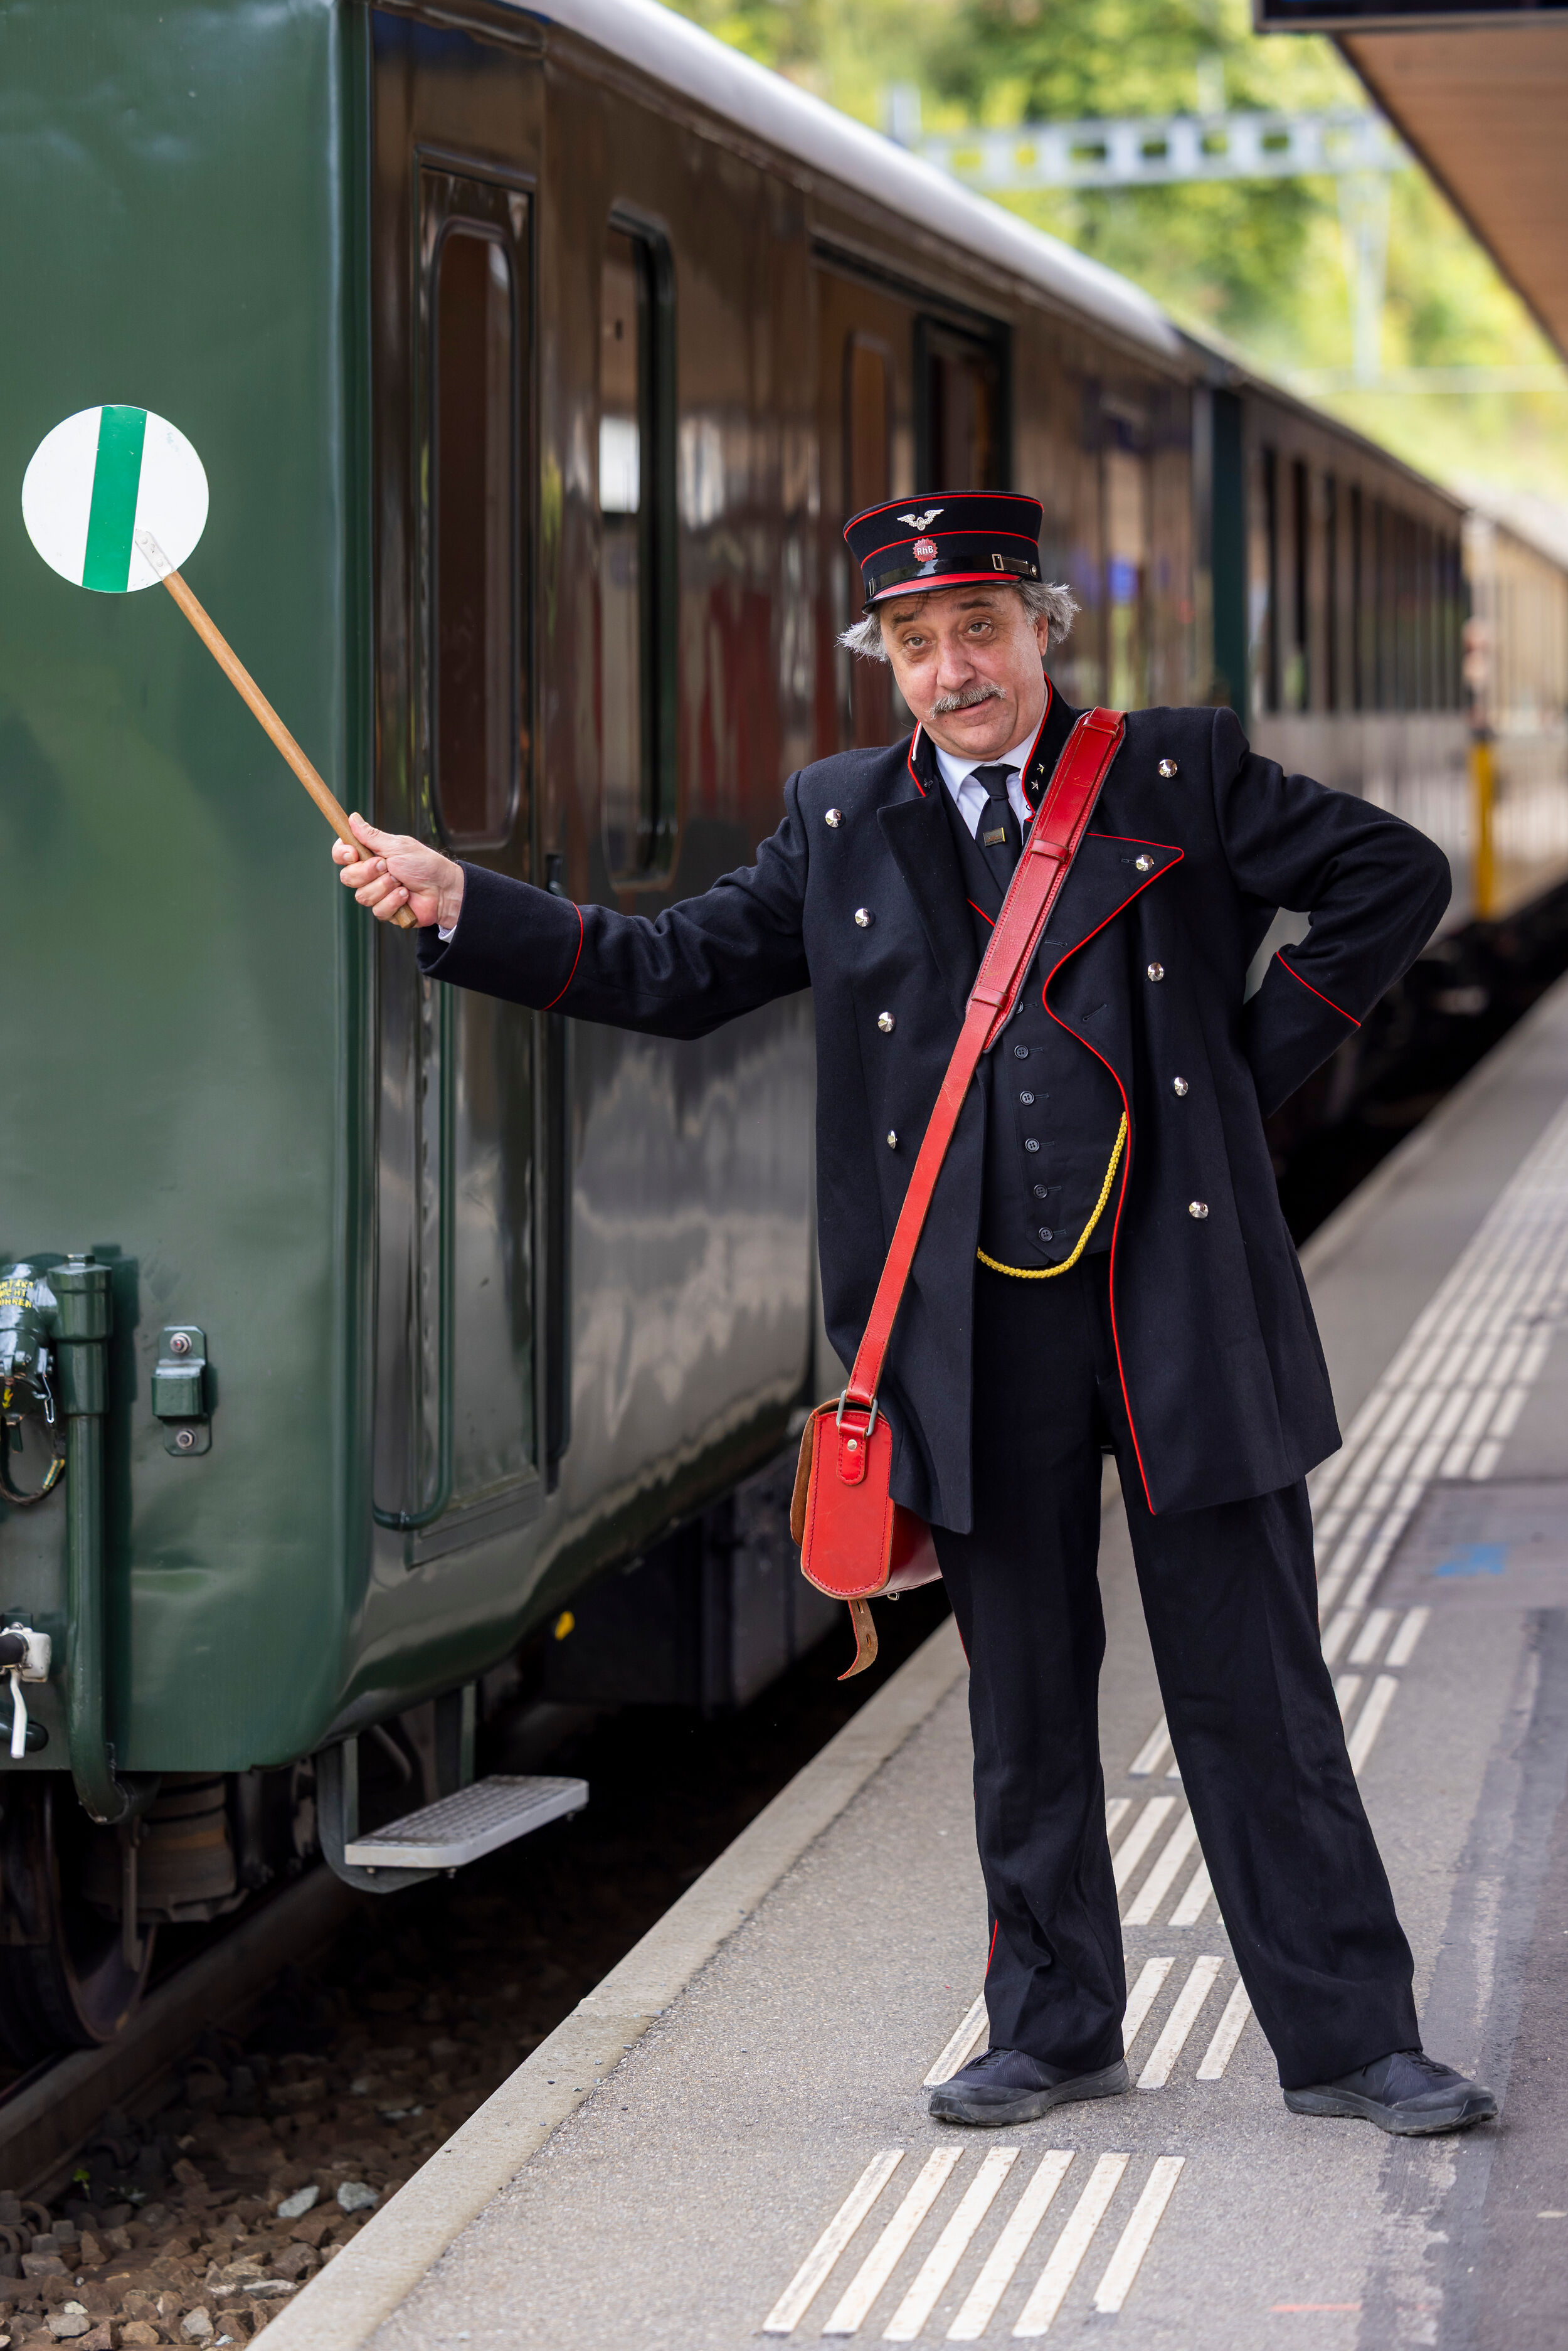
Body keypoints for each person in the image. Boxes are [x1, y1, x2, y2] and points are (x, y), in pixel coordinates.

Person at [333, 489, 1496, 2139]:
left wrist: (1245, 1076)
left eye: (979, 628)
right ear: (881, 659)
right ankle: (1053, 2024)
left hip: (1178, 1310)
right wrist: (466, 905)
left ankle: (1350, 2039)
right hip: (968, 1331)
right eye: (915, 640)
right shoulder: (836, 819)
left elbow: (1394, 871)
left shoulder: (1172, 769)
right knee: (1019, 1693)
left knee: (1256, 1688)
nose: (952, 667)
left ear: (1040, 629)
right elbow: (667, 971)